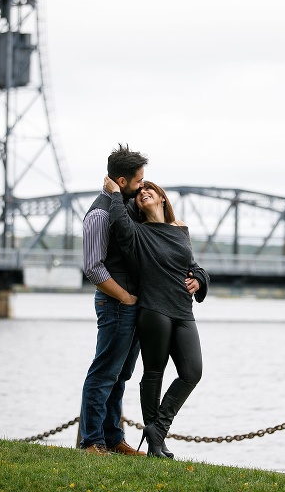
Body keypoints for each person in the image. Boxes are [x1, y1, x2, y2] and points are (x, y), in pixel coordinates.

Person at [103, 175, 209, 458]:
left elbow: (192, 265)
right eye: (140, 191)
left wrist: (199, 279)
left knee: (192, 372)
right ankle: (155, 446)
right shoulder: (137, 231)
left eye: (150, 189)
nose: (144, 192)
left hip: (183, 311)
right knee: (154, 374)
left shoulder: (180, 228)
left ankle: (156, 429)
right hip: (153, 309)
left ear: (162, 197)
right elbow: (118, 222)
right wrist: (115, 193)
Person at [79, 144, 148, 456]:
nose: (142, 186)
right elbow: (93, 267)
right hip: (116, 305)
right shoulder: (99, 214)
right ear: (122, 182)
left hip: (129, 305)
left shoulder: (124, 207)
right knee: (103, 373)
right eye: (138, 181)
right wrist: (125, 297)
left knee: (120, 375)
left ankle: (113, 439)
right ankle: (91, 441)